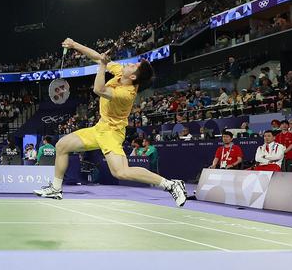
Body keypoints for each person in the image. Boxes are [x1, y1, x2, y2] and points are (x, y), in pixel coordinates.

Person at [34, 38, 187, 206]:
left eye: (133, 66)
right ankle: (56, 188)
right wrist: (74, 45)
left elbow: (98, 89)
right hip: (100, 127)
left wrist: (102, 65)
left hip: (112, 133)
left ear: (134, 76)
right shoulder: (122, 72)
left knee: (121, 172)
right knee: (62, 145)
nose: (129, 64)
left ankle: (171, 184)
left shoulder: (126, 94)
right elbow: (98, 57)